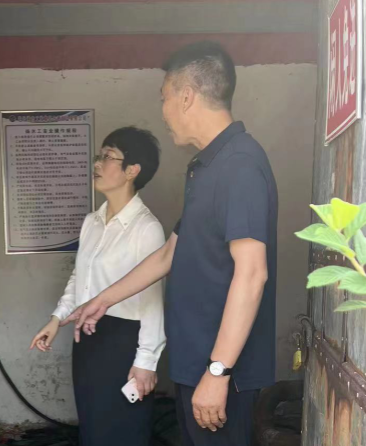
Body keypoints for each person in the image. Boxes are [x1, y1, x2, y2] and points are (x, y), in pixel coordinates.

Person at [63, 41, 278, 446]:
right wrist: (102, 300)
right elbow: (168, 254)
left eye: (164, 97)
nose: (162, 111)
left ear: (186, 96)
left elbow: (252, 274)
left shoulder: (240, 165)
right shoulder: (205, 168)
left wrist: (218, 371)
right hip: (194, 361)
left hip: (221, 370)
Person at [30, 127, 166, 446]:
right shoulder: (92, 222)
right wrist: (56, 319)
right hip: (88, 339)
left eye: (107, 156)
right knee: (93, 429)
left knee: (124, 431)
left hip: (125, 342)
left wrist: (146, 361)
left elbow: (153, 301)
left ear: (132, 170)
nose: (97, 163)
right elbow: (79, 278)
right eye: (99, 155)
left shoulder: (146, 229)